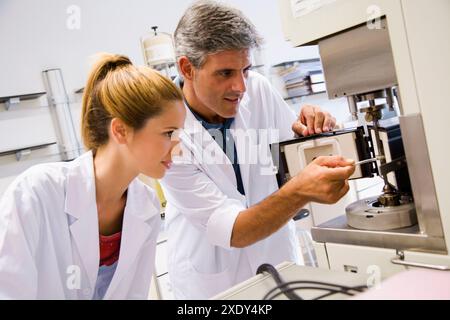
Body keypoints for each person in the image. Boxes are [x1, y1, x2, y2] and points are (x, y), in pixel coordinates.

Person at [159, 0, 355, 299]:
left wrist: (318, 127)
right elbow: (233, 231)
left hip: (276, 262)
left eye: (245, 70)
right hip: (211, 284)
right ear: (188, 68)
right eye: (225, 73)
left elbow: (292, 156)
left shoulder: (259, 89)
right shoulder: (165, 133)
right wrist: (300, 191)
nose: (241, 86)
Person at [0, 53, 185, 299]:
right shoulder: (36, 193)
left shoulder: (146, 206)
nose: (179, 148)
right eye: (168, 133)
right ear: (120, 130)